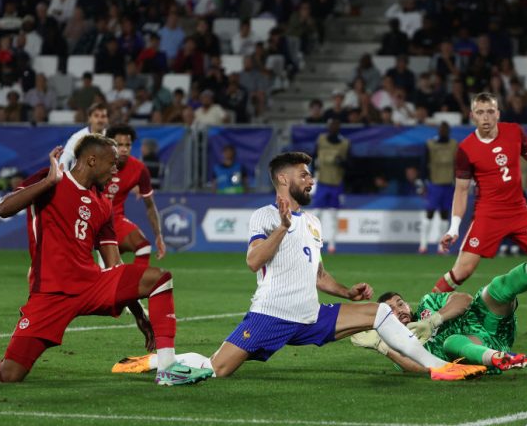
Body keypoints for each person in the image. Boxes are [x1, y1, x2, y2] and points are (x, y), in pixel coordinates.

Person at [114, 152, 488, 381]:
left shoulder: (312, 222)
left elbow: (319, 274)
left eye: (310, 174)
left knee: (379, 313)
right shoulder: (264, 216)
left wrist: (345, 292)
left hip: (310, 316)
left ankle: (437, 367)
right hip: (271, 315)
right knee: (217, 369)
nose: (310, 180)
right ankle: (154, 362)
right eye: (304, 174)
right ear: (283, 179)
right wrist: (282, 226)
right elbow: (253, 261)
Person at [0, 138, 211, 385]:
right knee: (12, 375)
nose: (116, 170)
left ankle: (167, 369)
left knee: (159, 279)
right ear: (91, 160)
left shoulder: (103, 204)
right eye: (112, 164)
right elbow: (3, 209)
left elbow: (115, 266)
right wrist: (48, 181)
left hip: (91, 285)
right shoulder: (50, 178)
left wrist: (138, 313)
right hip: (50, 293)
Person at [433, 92, 527, 340]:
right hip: (488, 215)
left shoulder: (514, 132)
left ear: (498, 113)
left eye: (490, 111)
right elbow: (461, 190)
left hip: (519, 211)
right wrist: (454, 228)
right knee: (462, 271)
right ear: (472, 116)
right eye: (480, 112)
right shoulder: (466, 149)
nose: (486, 117)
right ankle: (428, 313)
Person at [351, 226, 527, 373]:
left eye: (400, 303)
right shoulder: (398, 345)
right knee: (452, 342)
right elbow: (419, 368)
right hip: (477, 350)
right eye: (391, 309)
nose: (399, 310)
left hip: (487, 321)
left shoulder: (428, 304)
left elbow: (464, 299)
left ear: (408, 304)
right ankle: (497, 357)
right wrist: (383, 346)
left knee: (493, 289)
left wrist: (433, 321)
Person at [104, 125, 166, 265]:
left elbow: (150, 206)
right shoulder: (97, 164)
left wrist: (158, 235)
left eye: (128, 145)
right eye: (119, 145)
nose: (124, 149)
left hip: (115, 220)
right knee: (105, 273)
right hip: (92, 221)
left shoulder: (139, 169)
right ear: (110, 145)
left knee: (143, 247)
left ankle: (134, 283)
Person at [311, 119, 350, 254]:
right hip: (321, 182)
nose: (333, 128)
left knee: (334, 216)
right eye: (331, 125)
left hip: (336, 184)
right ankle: (315, 243)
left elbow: (350, 165)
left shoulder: (345, 144)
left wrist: (342, 162)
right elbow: (313, 156)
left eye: (336, 125)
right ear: (328, 127)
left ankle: (332, 245)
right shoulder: (321, 140)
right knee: (317, 214)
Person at [419, 122, 457, 254]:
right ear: (438, 131)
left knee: (444, 215)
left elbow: (458, 164)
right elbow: (423, 165)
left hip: (448, 184)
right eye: (442, 129)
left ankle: (441, 247)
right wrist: (423, 183)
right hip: (434, 184)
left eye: (446, 130)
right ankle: (423, 245)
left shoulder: (453, 145)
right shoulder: (430, 145)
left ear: (449, 131)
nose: (443, 132)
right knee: (429, 213)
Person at [59, 102, 109, 171]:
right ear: (89, 118)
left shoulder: (111, 136)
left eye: (103, 116)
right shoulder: (78, 137)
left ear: (107, 119)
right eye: (96, 116)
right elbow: (64, 159)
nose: (100, 120)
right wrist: (65, 179)